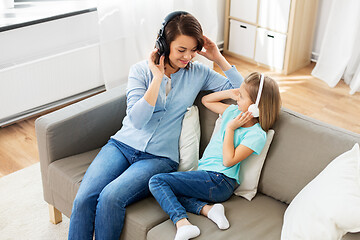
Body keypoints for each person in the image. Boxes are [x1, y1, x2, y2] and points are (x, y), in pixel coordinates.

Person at [68, 11, 243, 240]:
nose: (188, 57)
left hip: (159, 158)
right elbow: (137, 120)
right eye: (181, 50)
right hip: (121, 145)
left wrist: (218, 58)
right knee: (84, 198)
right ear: (164, 44)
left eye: (192, 50)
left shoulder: (199, 73)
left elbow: (242, 92)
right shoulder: (140, 71)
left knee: (111, 197)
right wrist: (157, 78)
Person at [149, 72, 282, 240]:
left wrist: (230, 129)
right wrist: (230, 93)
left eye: (241, 97)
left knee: (157, 181)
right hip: (206, 176)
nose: (236, 99)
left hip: (220, 181)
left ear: (255, 106)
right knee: (168, 192)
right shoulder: (232, 112)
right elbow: (207, 101)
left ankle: (182, 223)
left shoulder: (256, 135)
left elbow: (228, 161)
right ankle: (209, 210)